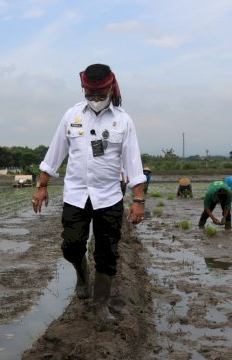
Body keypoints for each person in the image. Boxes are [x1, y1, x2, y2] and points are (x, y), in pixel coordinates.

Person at [31, 64, 147, 329]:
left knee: (107, 254)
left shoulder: (123, 120)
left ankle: (101, 303)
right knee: (71, 246)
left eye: (100, 93)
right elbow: (55, 152)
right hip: (75, 195)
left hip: (109, 197)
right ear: (83, 89)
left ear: (110, 88)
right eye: (90, 93)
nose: (95, 99)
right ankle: (83, 277)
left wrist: (138, 200)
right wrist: (42, 185)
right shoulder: (72, 115)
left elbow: (133, 163)